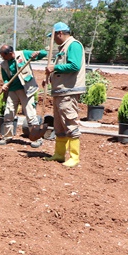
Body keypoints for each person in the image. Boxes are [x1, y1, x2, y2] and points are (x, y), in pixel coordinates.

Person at [43, 22, 86, 167]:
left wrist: (54, 67)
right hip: (60, 91)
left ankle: (74, 157)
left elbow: (74, 66)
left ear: (60, 33)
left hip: (68, 92)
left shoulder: (73, 45)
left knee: (69, 122)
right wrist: (50, 78)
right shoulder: (63, 47)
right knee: (59, 125)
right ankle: (59, 154)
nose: (53, 39)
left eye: (54, 36)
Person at [0, 44, 49, 148]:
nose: (3, 58)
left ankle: (37, 138)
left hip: (26, 90)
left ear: (10, 53)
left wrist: (37, 53)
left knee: (30, 114)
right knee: (8, 113)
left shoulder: (23, 54)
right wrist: (5, 84)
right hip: (12, 91)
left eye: (4, 56)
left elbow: (44, 53)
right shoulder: (4, 64)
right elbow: (6, 78)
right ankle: (7, 136)